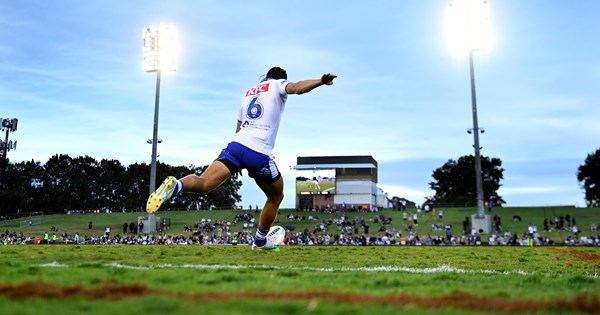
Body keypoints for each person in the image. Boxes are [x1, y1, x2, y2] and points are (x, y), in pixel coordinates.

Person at [146, 67, 337, 250]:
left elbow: (238, 128)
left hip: (236, 146)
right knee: (276, 196)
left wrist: (238, 163)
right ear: (280, 78)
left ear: (265, 77)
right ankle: (260, 241)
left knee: (204, 183)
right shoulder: (278, 85)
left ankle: (176, 185)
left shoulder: (248, 93)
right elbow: (296, 88)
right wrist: (320, 81)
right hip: (259, 152)